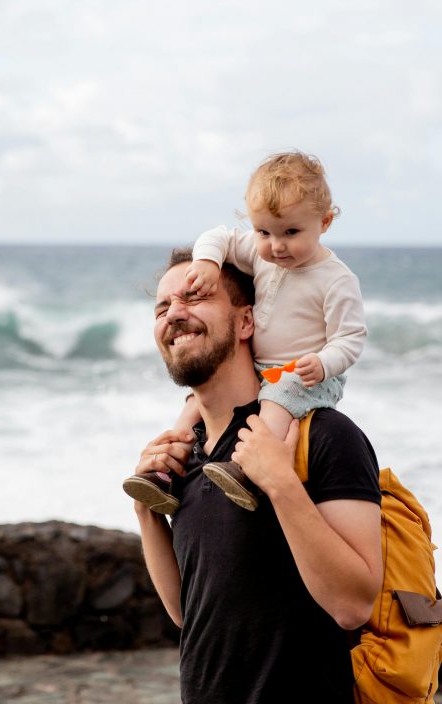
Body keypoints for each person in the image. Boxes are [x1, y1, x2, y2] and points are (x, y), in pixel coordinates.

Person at [126, 247, 382, 703]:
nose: (174, 315)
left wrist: (280, 484)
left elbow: (353, 605)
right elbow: (190, 614)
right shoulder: (187, 455)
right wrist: (146, 513)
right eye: (162, 307)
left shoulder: (321, 435)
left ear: (247, 322)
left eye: (194, 297)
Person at [124, 151, 368, 514]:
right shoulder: (260, 255)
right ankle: (166, 472)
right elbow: (217, 236)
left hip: (307, 375)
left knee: (277, 397)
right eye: (263, 231)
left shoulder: (336, 280)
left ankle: (245, 472)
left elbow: (350, 337)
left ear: (326, 221)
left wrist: (323, 362)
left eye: (291, 232)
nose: (276, 246)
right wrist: (207, 263)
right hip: (263, 367)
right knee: (194, 404)